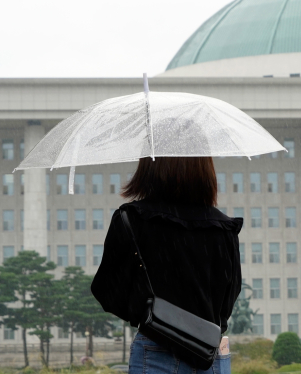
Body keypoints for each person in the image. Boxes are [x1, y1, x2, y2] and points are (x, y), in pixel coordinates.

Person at [91, 156, 242, 374]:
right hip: (208, 351)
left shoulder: (132, 219)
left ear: (150, 167)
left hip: (155, 347)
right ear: (204, 168)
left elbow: (107, 292)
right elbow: (229, 297)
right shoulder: (223, 228)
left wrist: (152, 313)